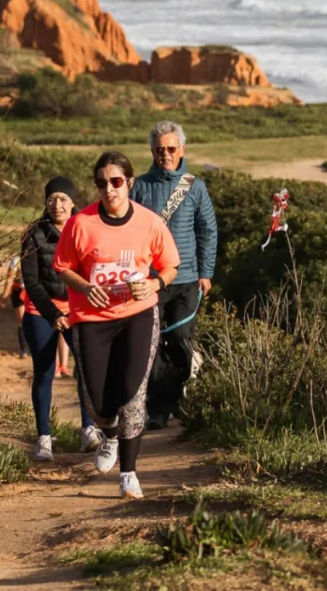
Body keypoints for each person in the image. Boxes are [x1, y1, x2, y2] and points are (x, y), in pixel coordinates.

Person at [54, 151, 180, 501]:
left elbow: (170, 266)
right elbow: (62, 267)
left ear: (129, 183)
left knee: (132, 393)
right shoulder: (81, 223)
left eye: (116, 181)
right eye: (101, 182)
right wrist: (85, 288)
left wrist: (154, 284)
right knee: (97, 402)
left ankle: (129, 475)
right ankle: (108, 435)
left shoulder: (149, 222)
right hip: (92, 319)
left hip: (137, 314)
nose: (109, 189)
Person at [131, 121, 217, 430]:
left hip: (187, 280)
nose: (164, 154)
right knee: (152, 345)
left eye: (170, 148)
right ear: (152, 151)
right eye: (159, 149)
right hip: (150, 282)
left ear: (182, 149)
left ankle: (177, 399)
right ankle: (158, 410)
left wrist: (206, 273)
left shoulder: (196, 187)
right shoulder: (139, 187)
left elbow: (207, 231)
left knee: (181, 340)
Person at [20, 176, 102, 461]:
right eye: (52, 199)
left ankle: (88, 430)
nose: (57, 205)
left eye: (63, 199)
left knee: (86, 369)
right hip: (40, 312)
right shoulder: (33, 233)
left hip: (77, 310)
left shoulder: (85, 229)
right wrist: (52, 313)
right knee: (44, 372)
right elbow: (31, 280)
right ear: (45, 202)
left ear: (73, 202)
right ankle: (44, 439)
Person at [0, 253, 29, 359]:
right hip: (19, 292)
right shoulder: (17, 260)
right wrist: (5, 295)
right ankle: (24, 349)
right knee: (23, 321)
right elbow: (10, 279)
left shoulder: (38, 257)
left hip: (34, 292)